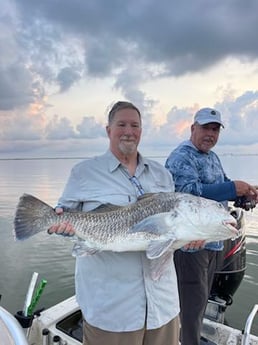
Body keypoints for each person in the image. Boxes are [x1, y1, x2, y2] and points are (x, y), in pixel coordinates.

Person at [48, 101, 180, 345]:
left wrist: (190, 237)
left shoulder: (162, 175)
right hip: (113, 309)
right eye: (121, 124)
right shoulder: (84, 172)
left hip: (163, 305)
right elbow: (63, 214)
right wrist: (62, 227)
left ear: (141, 131)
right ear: (108, 130)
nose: (128, 131)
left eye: (135, 125)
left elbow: (171, 227)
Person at [165, 107, 258, 345]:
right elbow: (184, 195)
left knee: (200, 303)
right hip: (190, 247)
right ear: (193, 128)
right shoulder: (181, 157)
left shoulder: (212, 157)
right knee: (190, 308)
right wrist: (231, 189)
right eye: (206, 127)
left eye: (215, 129)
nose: (210, 134)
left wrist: (243, 196)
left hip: (213, 243)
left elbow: (225, 188)